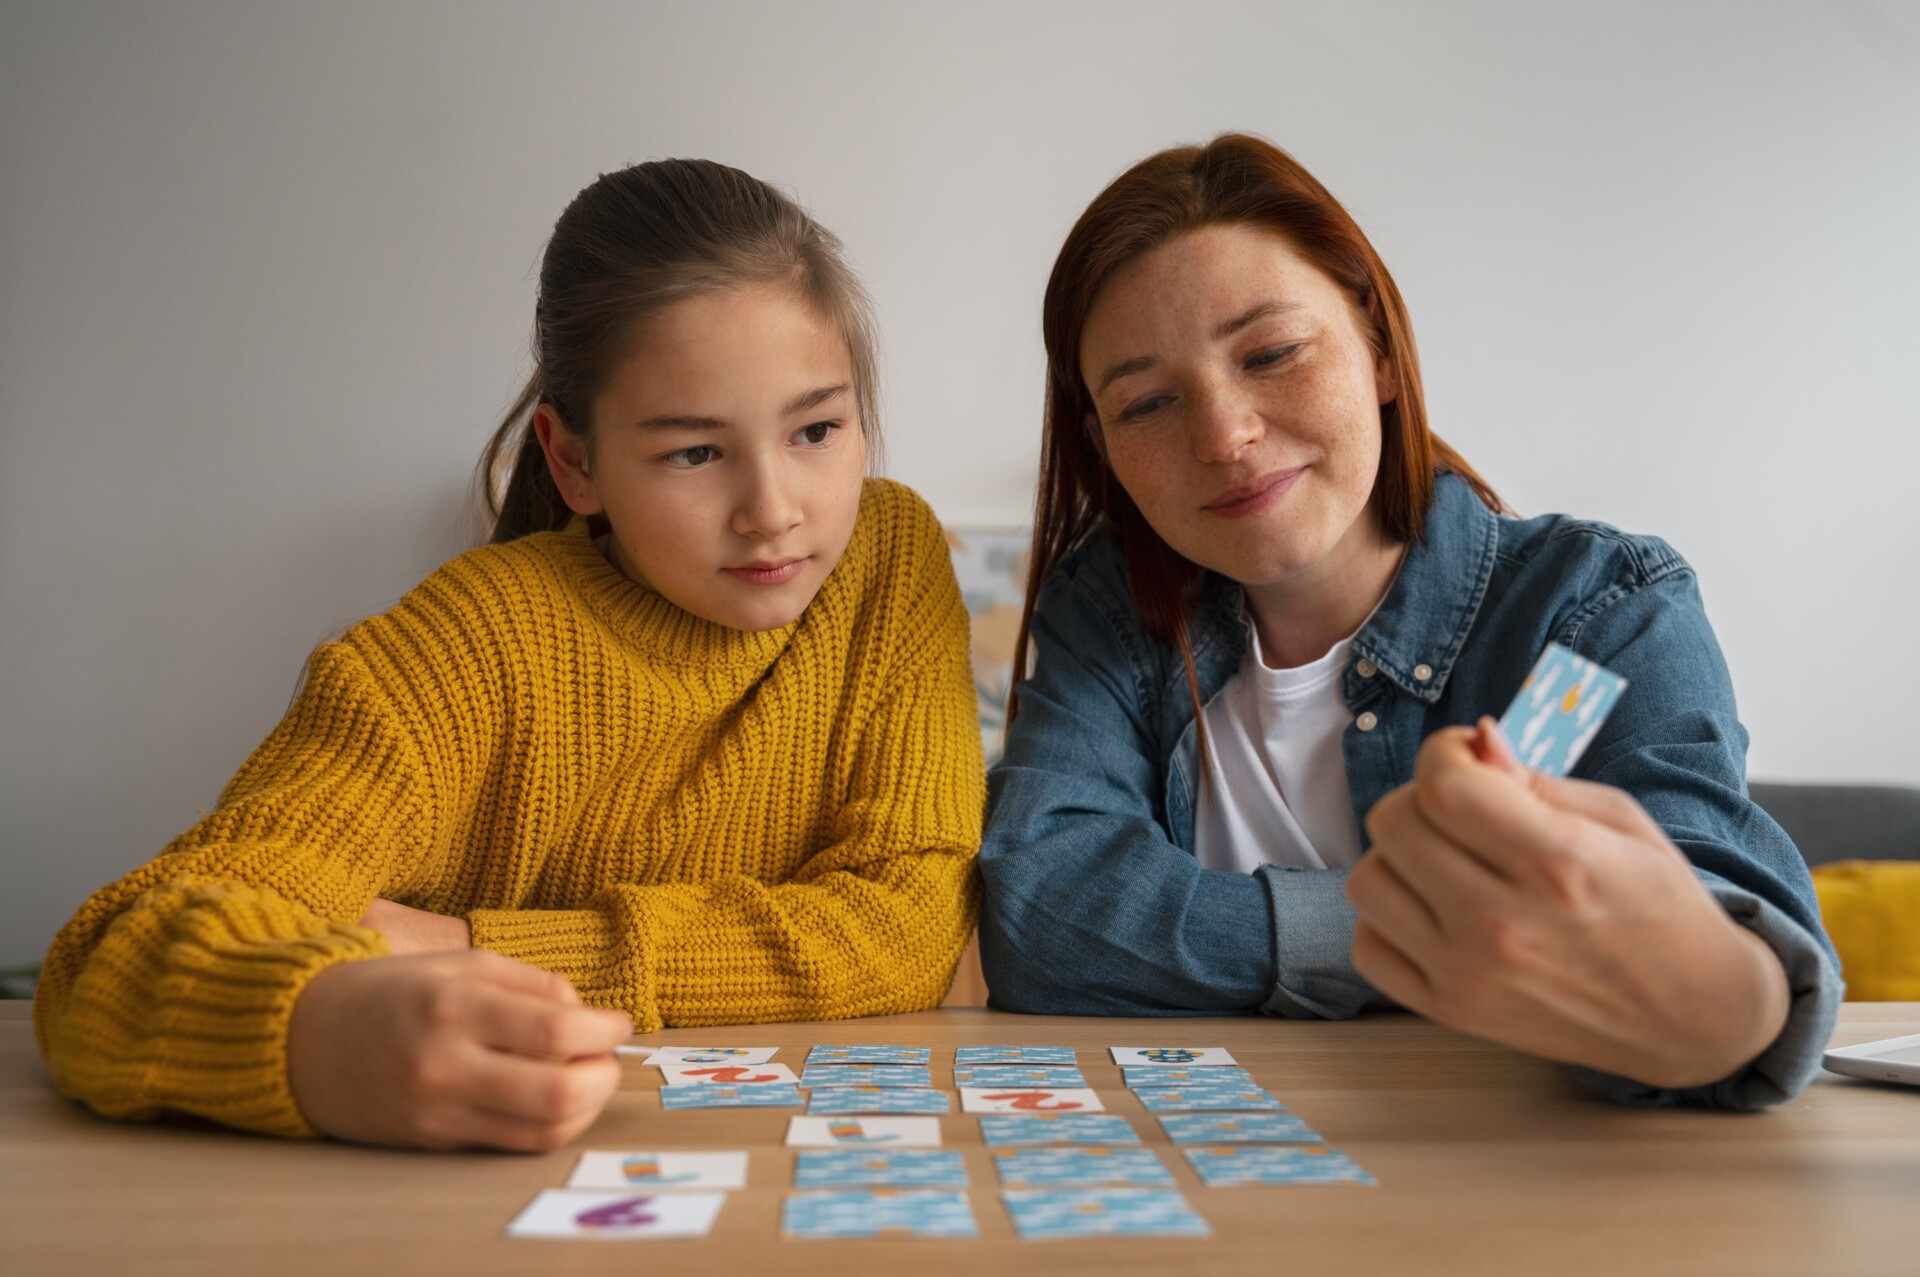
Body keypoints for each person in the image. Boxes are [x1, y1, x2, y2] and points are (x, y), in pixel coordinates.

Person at [35, 159, 984, 1149]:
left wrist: (466, 945)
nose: (776, 509)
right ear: (573, 459)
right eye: (695, 452)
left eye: (817, 429)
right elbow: (113, 953)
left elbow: (909, 920)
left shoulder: (889, 556)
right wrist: (315, 1038)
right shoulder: (463, 648)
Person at [978, 134, 1839, 1107]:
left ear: (1379, 347)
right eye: (1147, 403)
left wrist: (1728, 999)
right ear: (1104, 445)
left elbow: (1720, 924)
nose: (1224, 436)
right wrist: (1416, 935)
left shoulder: (1597, 614)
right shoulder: (1108, 608)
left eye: (1272, 352)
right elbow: (1040, 913)